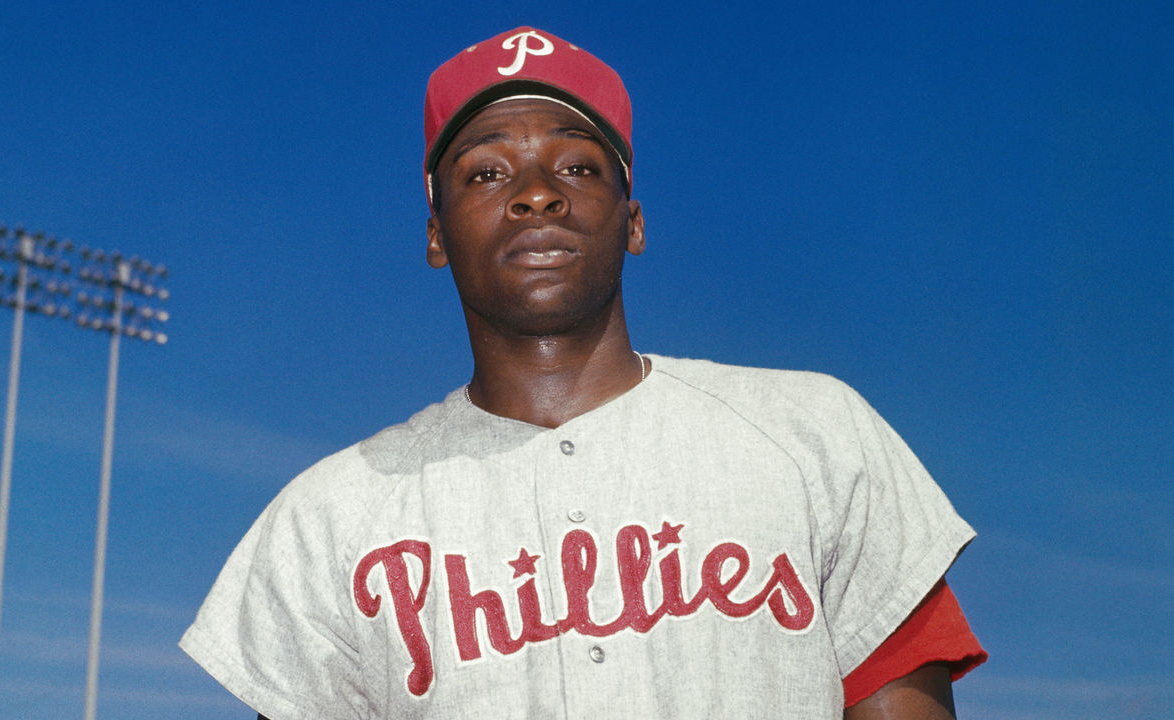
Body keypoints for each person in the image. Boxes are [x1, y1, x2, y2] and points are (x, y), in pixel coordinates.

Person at [180, 27, 986, 720]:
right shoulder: (329, 518)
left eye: (577, 168)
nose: (536, 194)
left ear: (632, 223)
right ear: (436, 236)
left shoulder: (814, 433)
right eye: (487, 173)